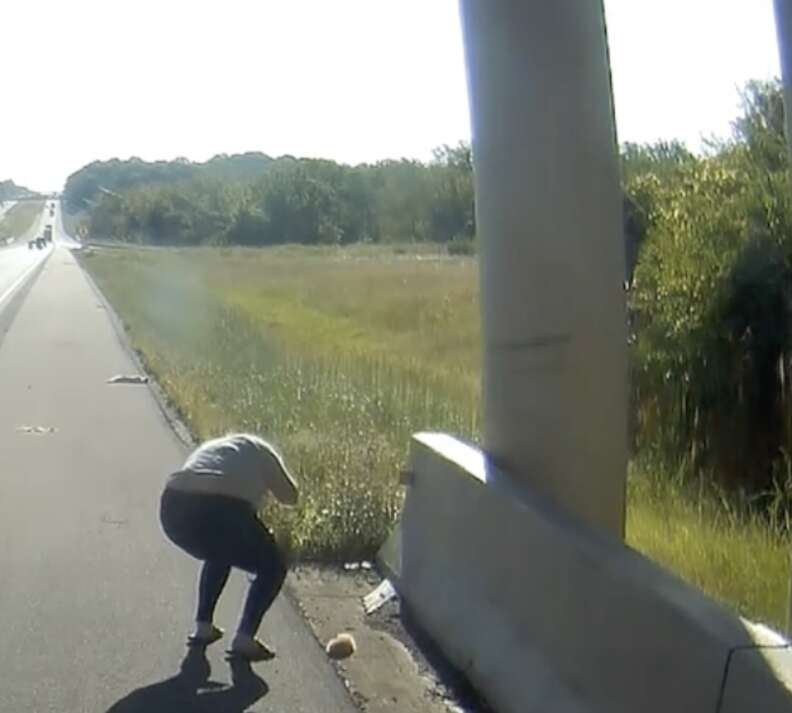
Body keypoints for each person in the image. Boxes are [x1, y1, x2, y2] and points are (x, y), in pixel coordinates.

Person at [160, 433, 298, 661]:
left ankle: (203, 626)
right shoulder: (263, 452)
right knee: (273, 567)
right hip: (224, 506)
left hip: (172, 505)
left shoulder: (213, 448)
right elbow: (290, 497)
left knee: (219, 550)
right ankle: (245, 639)